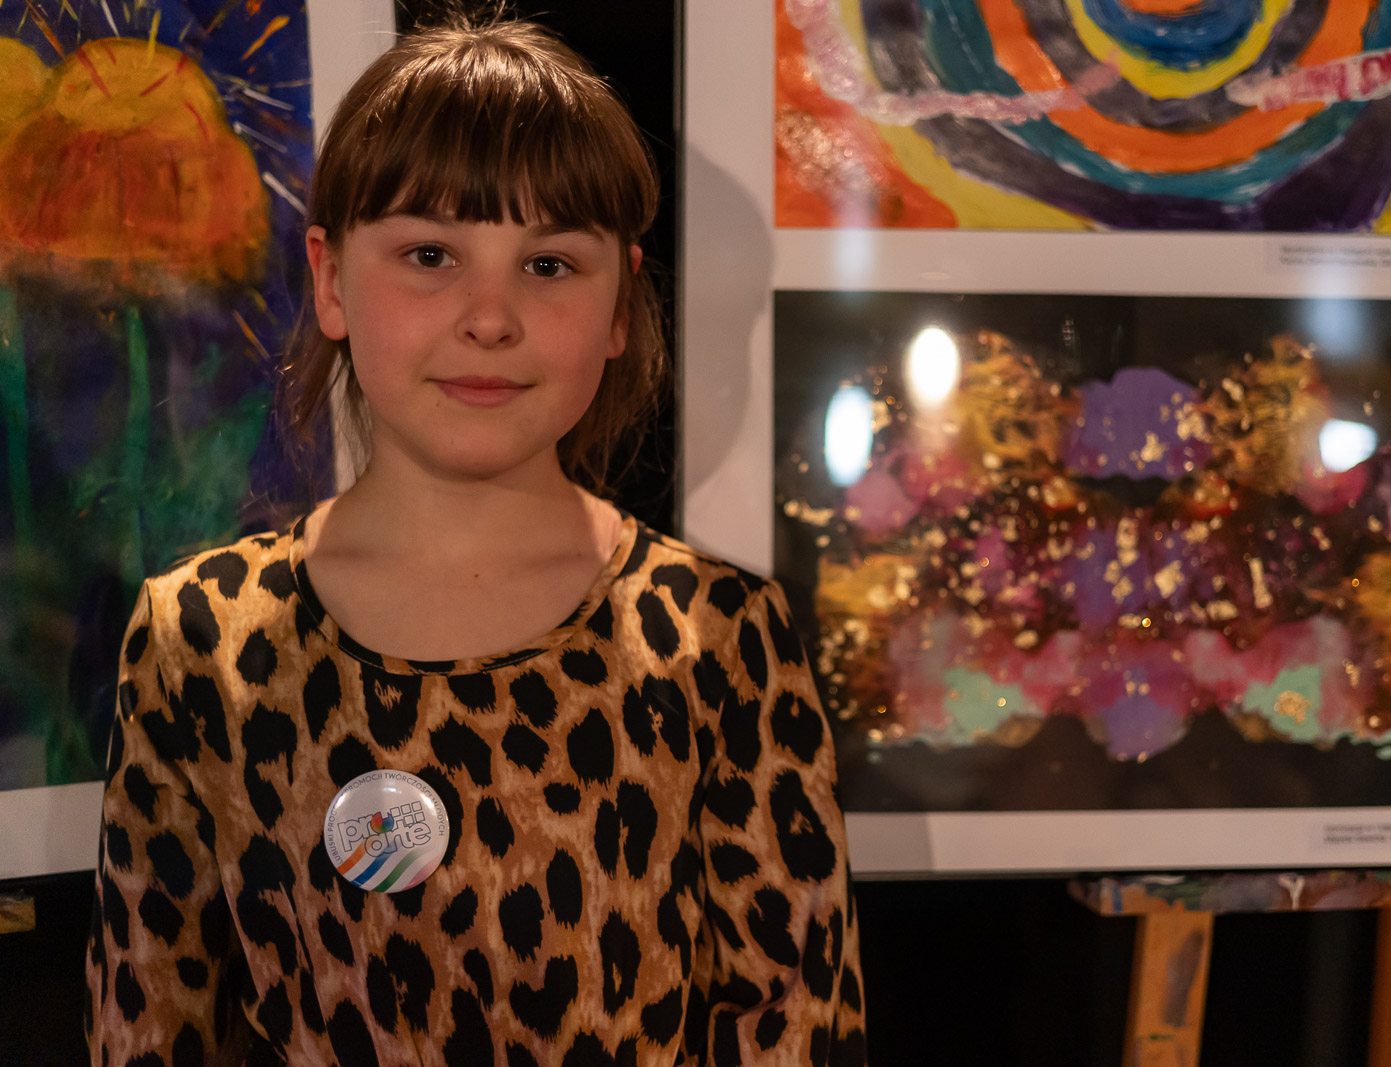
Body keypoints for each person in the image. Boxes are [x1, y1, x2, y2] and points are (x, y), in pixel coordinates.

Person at [85, 19, 866, 1066]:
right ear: (330, 279)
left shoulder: (719, 638)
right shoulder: (202, 640)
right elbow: (143, 1022)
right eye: (430, 255)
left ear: (621, 302)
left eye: (548, 263)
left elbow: (800, 1027)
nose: (490, 317)